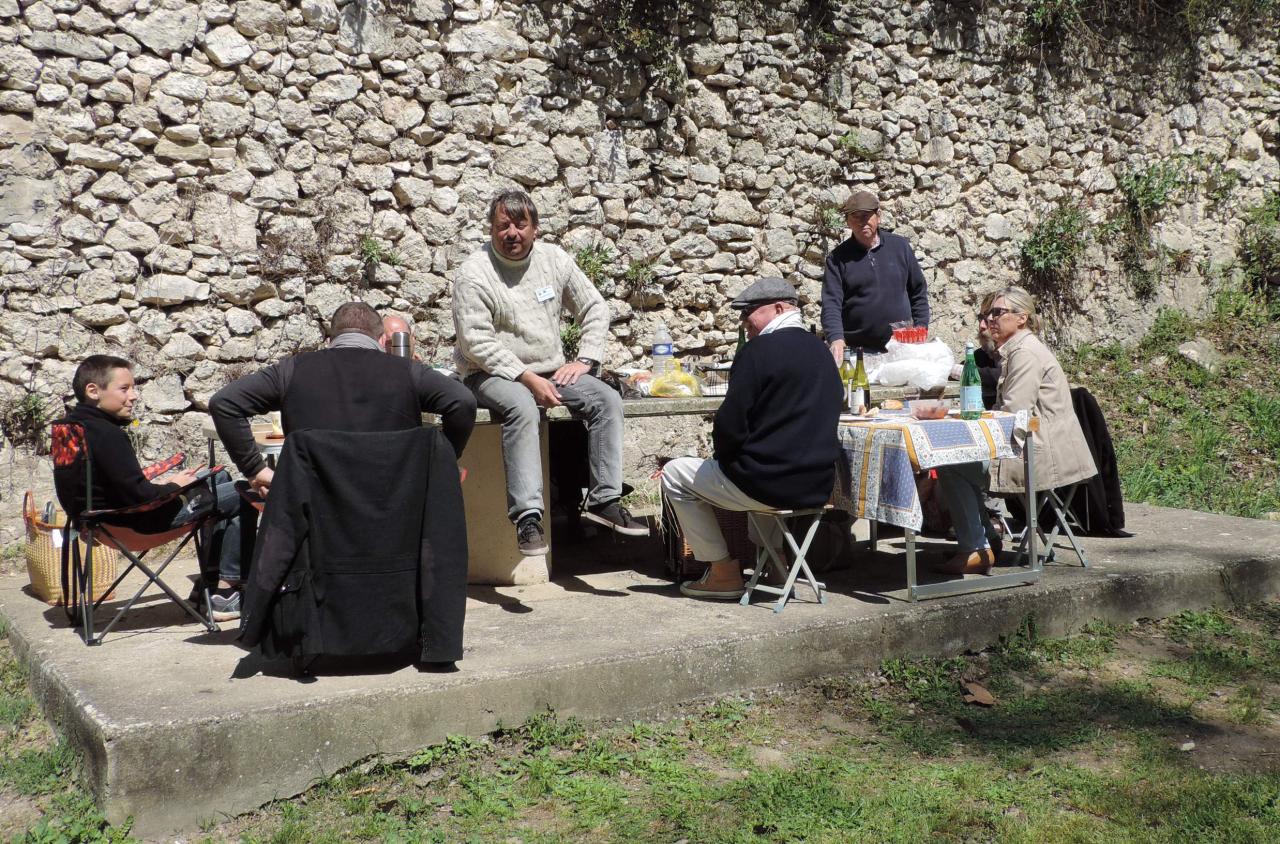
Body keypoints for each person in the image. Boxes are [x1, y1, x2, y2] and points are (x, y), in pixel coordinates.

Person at [209, 302, 478, 615]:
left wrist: (255, 470)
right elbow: (463, 402)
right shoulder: (407, 371)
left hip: (315, 511)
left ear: (329, 341)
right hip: (392, 507)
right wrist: (443, 460)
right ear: (381, 342)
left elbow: (224, 403)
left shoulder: (293, 369)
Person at [452, 189, 647, 556]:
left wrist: (585, 359)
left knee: (605, 398)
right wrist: (527, 378)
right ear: (491, 231)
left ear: (535, 229)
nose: (512, 233)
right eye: (502, 226)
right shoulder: (473, 274)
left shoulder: (554, 260)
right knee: (522, 407)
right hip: (490, 373)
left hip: (553, 369)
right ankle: (528, 519)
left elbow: (594, 308)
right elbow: (475, 342)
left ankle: (604, 500)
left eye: (520, 224)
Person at [662, 278, 843, 600]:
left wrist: (722, 457)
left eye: (749, 313)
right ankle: (775, 566)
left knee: (675, 474)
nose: (744, 322)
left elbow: (731, 425)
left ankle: (722, 572)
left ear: (778, 308)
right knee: (765, 467)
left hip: (768, 484)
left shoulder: (759, 351)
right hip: (817, 486)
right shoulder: (822, 350)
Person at [66, 355, 244, 620]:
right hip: (137, 523)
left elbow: (117, 484)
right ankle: (225, 592)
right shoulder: (106, 434)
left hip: (100, 521)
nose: (134, 396)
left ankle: (207, 586)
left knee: (218, 478)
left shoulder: (75, 427)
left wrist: (163, 483)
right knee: (244, 491)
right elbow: (141, 495)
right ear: (93, 391)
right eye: (124, 389)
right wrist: (174, 484)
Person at [935, 287, 1098, 574]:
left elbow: (1012, 415)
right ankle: (985, 541)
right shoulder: (1016, 351)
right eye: (987, 314)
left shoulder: (1025, 354)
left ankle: (977, 546)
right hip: (1034, 445)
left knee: (951, 463)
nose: (990, 320)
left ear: (1022, 318)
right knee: (958, 459)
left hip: (1041, 455)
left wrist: (963, 421)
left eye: (998, 313)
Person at [821, 189, 929, 362]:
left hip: (903, 347)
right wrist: (836, 339)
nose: (861, 222)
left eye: (866, 216)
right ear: (848, 222)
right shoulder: (837, 259)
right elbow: (831, 304)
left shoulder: (900, 247)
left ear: (878, 216)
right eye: (855, 217)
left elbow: (918, 291)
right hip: (859, 352)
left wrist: (921, 328)